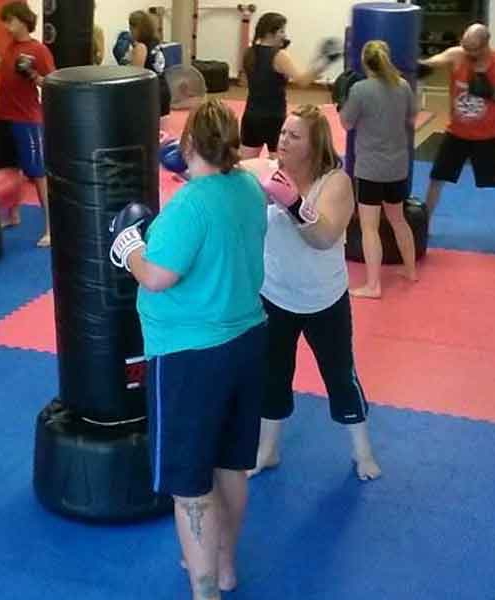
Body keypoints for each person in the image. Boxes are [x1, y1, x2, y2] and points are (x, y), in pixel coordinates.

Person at [110, 99, 268, 600]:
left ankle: (204, 591)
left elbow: (156, 276)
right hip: (246, 341)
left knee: (188, 484)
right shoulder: (247, 186)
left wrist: (128, 247)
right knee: (230, 465)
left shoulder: (189, 205)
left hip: (190, 356)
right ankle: (224, 568)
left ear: (191, 144)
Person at [242, 104, 381, 482]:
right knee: (272, 374)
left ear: (313, 144)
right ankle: (267, 451)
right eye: (283, 132)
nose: (284, 140)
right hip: (274, 294)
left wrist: (294, 205)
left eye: (294, 135)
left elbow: (324, 237)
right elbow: (227, 171)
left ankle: (362, 451)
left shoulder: (334, 182)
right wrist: (189, 160)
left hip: (324, 299)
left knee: (339, 374)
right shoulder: (268, 171)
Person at [339, 40, 418, 298]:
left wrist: (343, 100)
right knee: (398, 219)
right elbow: (411, 118)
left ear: (364, 62)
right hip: (397, 166)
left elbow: (347, 124)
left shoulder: (361, 89)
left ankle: (373, 285)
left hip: (371, 169)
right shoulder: (403, 85)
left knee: (369, 227)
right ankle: (411, 271)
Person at [0, 2, 55, 246]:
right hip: (4, 117)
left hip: (26, 120)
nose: (6, 26)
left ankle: (51, 227)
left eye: (10, 21)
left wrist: (34, 76)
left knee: (38, 174)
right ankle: (12, 214)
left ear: (22, 21)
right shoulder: (10, 48)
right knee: (6, 170)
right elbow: (5, 70)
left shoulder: (37, 50)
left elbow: (52, 82)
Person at [418, 23, 495, 216]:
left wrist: (491, 93)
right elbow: (435, 61)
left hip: (489, 136)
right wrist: (415, 64)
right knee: (437, 177)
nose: (468, 52)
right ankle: (425, 222)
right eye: (465, 46)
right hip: (457, 134)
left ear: (485, 44)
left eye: (473, 49)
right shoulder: (457, 55)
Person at [240, 12, 341, 159]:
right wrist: (326, 61)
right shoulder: (279, 55)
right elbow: (302, 81)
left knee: (247, 166)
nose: (284, 35)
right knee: (280, 166)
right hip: (273, 118)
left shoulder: (249, 52)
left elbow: (245, 82)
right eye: (281, 31)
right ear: (270, 33)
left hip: (251, 116)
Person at [128, 10, 171, 119]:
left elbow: (134, 76)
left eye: (131, 29)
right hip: (163, 91)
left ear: (137, 29)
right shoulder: (156, 43)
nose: (130, 32)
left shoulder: (141, 47)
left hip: (152, 95)